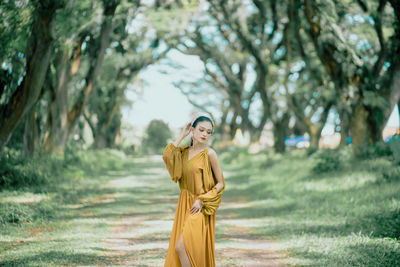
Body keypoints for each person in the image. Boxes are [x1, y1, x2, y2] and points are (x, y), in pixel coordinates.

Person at [162, 115, 226, 267]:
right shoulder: (182, 153)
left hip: (200, 205)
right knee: (185, 248)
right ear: (193, 130)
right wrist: (182, 135)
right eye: (201, 130)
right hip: (184, 203)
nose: (205, 134)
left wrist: (203, 200)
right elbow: (167, 156)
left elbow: (221, 183)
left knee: (181, 247)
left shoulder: (210, 154)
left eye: (209, 132)